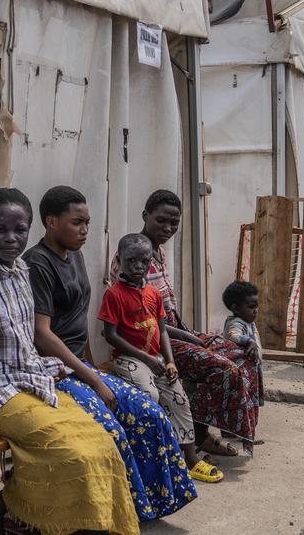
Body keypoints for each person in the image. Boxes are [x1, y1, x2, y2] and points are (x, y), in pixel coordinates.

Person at [0, 188, 139, 535]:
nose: (10, 238)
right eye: (0, 229)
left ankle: (28, 515)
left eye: (19, 230)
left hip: (31, 381)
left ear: (30, 229)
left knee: (102, 443)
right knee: (73, 456)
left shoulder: (21, 271)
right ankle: (31, 518)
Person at [24, 187, 198, 520]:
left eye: (88, 223)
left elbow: (78, 321)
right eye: (77, 223)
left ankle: (151, 504)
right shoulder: (38, 264)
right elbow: (42, 335)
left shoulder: (73, 254)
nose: (85, 230)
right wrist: (93, 377)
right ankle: (115, 515)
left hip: (80, 365)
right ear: (50, 222)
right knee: (111, 429)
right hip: (54, 371)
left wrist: (92, 366)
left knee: (151, 414)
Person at [137, 189, 261, 457]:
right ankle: (200, 435)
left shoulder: (158, 253)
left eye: (174, 224)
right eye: (161, 221)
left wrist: (190, 334)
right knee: (226, 367)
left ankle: (222, 430)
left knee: (242, 355)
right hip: (157, 338)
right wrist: (189, 338)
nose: (168, 228)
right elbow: (144, 319)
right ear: (145, 216)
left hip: (175, 329)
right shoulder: (136, 256)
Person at [99, 233, 224, 482]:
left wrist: (169, 361)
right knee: (150, 396)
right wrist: (146, 359)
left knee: (178, 399)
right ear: (119, 261)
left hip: (156, 357)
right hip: (128, 358)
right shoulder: (114, 294)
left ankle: (190, 459)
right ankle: (158, 457)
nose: (137, 267)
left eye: (143, 262)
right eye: (131, 260)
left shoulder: (153, 294)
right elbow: (110, 335)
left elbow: (162, 329)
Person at [220, 281, 264, 454]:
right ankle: (243, 433)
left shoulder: (248, 321)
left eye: (256, 306)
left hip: (251, 372)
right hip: (241, 374)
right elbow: (233, 336)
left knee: (247, 404)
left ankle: (240, 433)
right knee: (243, 404)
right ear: (236, 308)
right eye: (251, 306)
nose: (255, 310)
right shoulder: (236, 322)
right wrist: (249, 341)